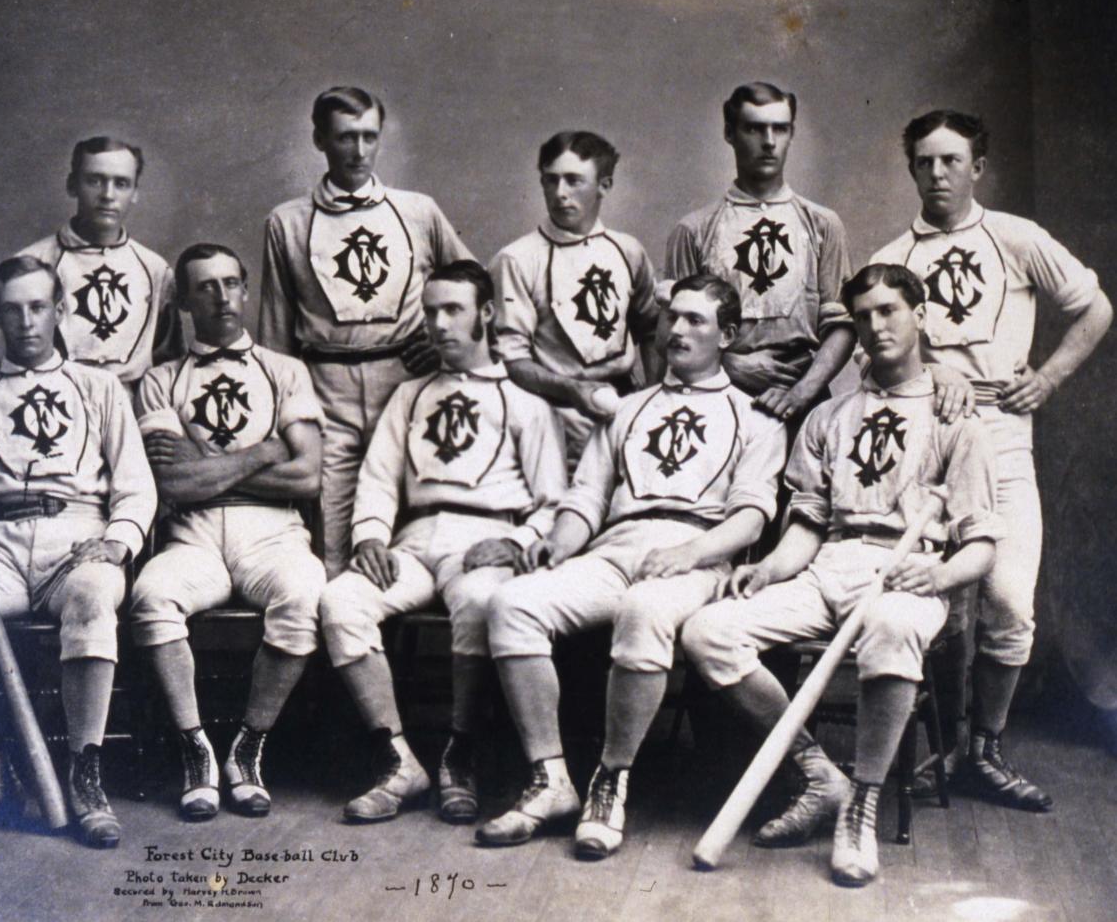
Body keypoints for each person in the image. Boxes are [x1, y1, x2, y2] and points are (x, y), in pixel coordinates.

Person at [682, 263, 1001, 887]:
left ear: (920, 317)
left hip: (907, 570)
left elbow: (981, 547)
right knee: (707, 631)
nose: (876, 326)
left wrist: (935, 578)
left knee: (889, 626)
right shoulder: (830, 418)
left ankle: (863, 801)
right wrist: (768, 570)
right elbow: (807, 524)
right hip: (828, 566)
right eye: (863, 317)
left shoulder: (955, 419)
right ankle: (818, 772)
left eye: (889, 311)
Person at [476, 274, 786, 855]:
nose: (677, 329)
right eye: (672, 316)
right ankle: (551, 780)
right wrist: (559, 544)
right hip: (614, 548)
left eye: (696, 319)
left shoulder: (757, 418)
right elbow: (588, 496)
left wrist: (688, 554)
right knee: (511, 603)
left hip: (698, 555)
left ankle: (610, 780)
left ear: (730, 334)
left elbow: (750, 519)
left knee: (645, 611)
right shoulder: (626, 409)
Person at [870, 110, 1112, 810]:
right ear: (911, 168)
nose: (938, 174)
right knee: (940, 600)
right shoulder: (896, 256)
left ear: (978, 167)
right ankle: (944, 748)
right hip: (931, 438)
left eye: (952, 161)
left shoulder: (1016, 237)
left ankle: (986, 747)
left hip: (1004, 430)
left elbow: (1094, 307)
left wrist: (1050, 376)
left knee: (1008, 598)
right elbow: (873, 349)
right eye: (925, 162)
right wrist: (925, 367)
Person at [0, 255, 156, 848]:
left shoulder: (101, 388)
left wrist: (117, 544)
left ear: (60, 310)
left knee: (96, 594)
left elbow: (136, 487)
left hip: (77, 537)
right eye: (12, 310)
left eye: (38, 306)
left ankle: (84, 773)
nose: (26, 321)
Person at [318, 260, 566, 825]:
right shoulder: (409, 395)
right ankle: (399, 759)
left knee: (481, 602)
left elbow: (553, 499)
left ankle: (461, 751)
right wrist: (371, 538)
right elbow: (378, 478)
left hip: (483, 538)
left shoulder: (524, 399)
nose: (439, 323)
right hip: (413, 542)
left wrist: (519, 540)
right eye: (430, 311)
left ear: (487, 313)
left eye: (454, 309)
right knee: (340, 602)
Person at [129, 244, 326, 821]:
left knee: (305, 592)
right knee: (150, 596)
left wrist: (204, 462)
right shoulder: (160, 380)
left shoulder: (285, 370)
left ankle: (248, 746)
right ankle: (196, 749)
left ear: (245, 290)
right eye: (205, 287)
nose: (221, 297)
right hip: (191, 537)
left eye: (231, 283)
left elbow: (308, 474)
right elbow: (172, 485)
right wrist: (266, 451)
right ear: (186, 301)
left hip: (274, 534)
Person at [258, 86, 473, 577]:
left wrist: (438, 344)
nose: (357, 151)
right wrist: (289, 412)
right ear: (319, 140)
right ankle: (339, 641)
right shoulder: (287, 222)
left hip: (405, 382)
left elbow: (473, 287)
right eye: (344, 137)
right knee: (332, 535)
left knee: (412, 522)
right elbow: (274, 332)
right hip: (325, 388)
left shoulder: (417, 210)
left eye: (368, 137)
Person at [666, 82, 854, 422]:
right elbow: (674, 330)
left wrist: (800, 393)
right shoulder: (694, 230)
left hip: (802, 396)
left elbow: (842, 325)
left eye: (780, 129)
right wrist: (727, 363)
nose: (769, 142)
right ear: (729, 133)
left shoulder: (823, 224)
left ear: (791, 133)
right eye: (754, 128)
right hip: (718, 395)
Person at [490, 131, 660, 466]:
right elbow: (512, 361)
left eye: (574, 181)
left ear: (604, 185)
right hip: (556, 418)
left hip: (626, 409)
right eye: (550, 181)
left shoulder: (628, 250)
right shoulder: (517, 259)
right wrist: (571, 390)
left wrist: (651, 397)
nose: (560, 194)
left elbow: (651, 328)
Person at [18, 136, 179, 387]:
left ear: (135, 192)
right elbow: (10, 364)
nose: (107, 195)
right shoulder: (30, 264)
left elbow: (170, 366)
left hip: (133, 411)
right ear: (72, 185)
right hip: (56, 402)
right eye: (95, 181)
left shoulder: (156, 270)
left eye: (121, 183)